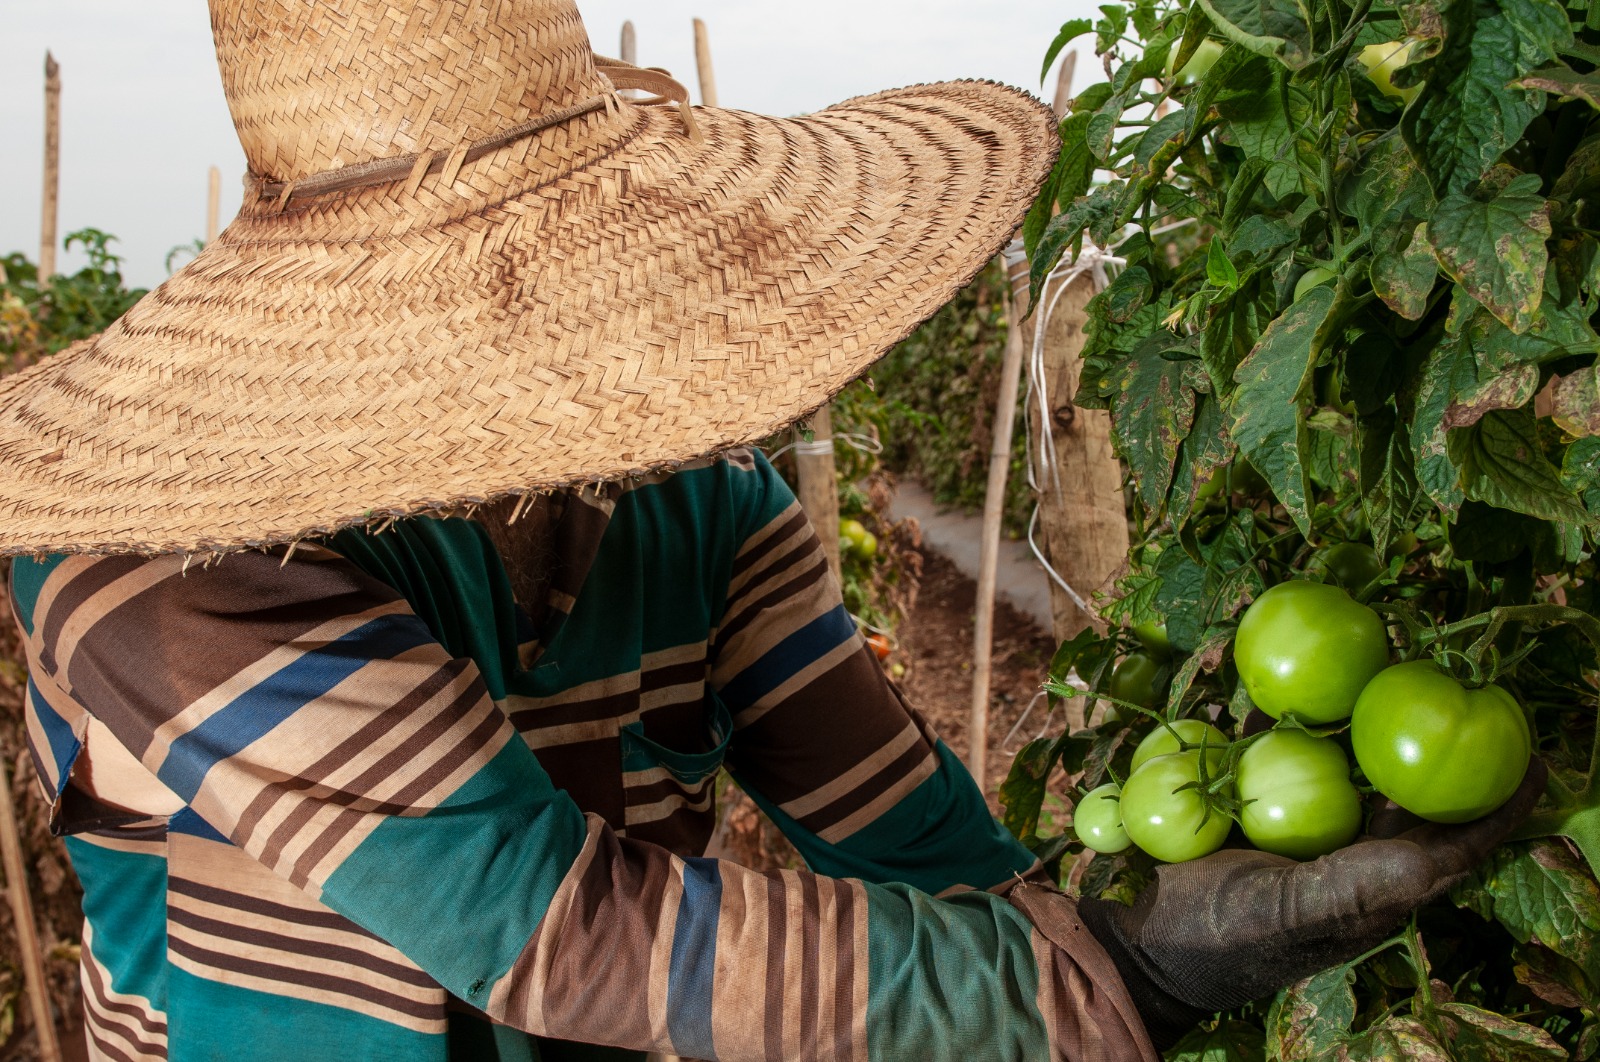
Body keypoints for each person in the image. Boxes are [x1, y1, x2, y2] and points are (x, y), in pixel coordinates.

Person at [0, 2, 1541, 1060]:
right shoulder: (147, 565)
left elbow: (907, 834)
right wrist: (1117, 975)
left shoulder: (699, 515)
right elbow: (552, 930)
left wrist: (1097, 925)